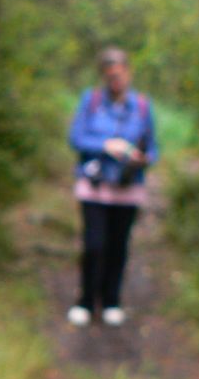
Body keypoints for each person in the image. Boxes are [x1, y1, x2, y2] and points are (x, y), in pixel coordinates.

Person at [66, 48, 158, 327]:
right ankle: (85, 300)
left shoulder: (142, 106)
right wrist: (106, 146)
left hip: (127, 188)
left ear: (128, 73)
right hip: (94, 185)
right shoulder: (91, 101)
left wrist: (143, 159)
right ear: (104, 76)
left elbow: (153, 147)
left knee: (119, 245)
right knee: (94, 245)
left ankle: (111, 301)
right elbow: (76, 138)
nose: (116, 79)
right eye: (110, 75)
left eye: (120, 73)